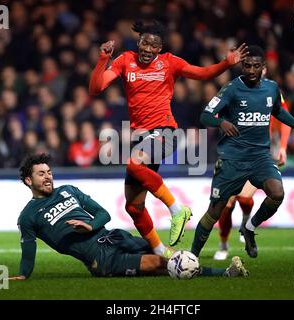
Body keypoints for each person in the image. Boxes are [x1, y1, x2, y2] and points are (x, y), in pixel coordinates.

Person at [89, 20, 248, 258]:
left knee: (134, 163)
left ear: (160, 48)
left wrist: (226, 63)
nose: (148, 48)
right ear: (138, 41)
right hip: (142, 139)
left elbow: (202, 74)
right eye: (145, 42)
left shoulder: (170, 63)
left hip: (165, 132)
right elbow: (95, 89)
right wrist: (103, 59)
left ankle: (177, 210)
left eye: (154, 45)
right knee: (133, 207)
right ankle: (161, 252)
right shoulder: (124, 60)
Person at [8, 153, 249, 279]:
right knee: (159, 264)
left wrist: (90, 226)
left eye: (49, 172)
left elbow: (103, 214)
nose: (48, 177)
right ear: (29, 181)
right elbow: (28, 251)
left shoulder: (68, 190)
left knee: (165, 253)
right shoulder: (28, 216)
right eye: (41, 174)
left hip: (115, 237)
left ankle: (225, 273)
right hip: (100, 259)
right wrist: (22, 274)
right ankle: (225, 274)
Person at [191, 46, 294, 259]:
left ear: (264, 67)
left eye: (255, 66)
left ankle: (250, 228)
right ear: (242, 66)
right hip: (232, 158)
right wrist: (222, 122)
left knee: (277, 193)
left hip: (260, 157)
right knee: (215, 212)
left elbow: (280, 113)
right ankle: (193, 257)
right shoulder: (231, 88)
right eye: (247, 65)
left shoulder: (272, 88)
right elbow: (205, 116)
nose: (251, 70)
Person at [214, 75, 292, 261]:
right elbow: (216, 112)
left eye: (259, 67)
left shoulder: (271, 90)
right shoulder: (235, 89)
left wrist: (282, 146)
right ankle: (224, 243)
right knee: (227, 205)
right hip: (234, 154)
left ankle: (246, 222)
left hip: (258, 154)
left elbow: (285, 117)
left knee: (244, 196)